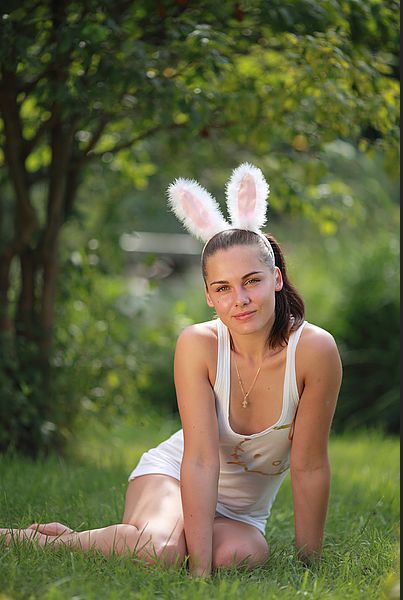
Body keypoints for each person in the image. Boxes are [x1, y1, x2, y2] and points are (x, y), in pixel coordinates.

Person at [0, 163, 342, 578]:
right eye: (223, 288)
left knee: (241, 556)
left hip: (239, 513)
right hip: (174, 478)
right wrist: (198, 573)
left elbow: (309, 466)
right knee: (161, 551)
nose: (240, 299)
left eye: (251, 280)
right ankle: (32, 539)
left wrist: (312, 566)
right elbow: (199, 461)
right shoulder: (197, 344)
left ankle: (126, 539)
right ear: (208, 297)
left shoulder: (313, 350)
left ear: (276, 278)